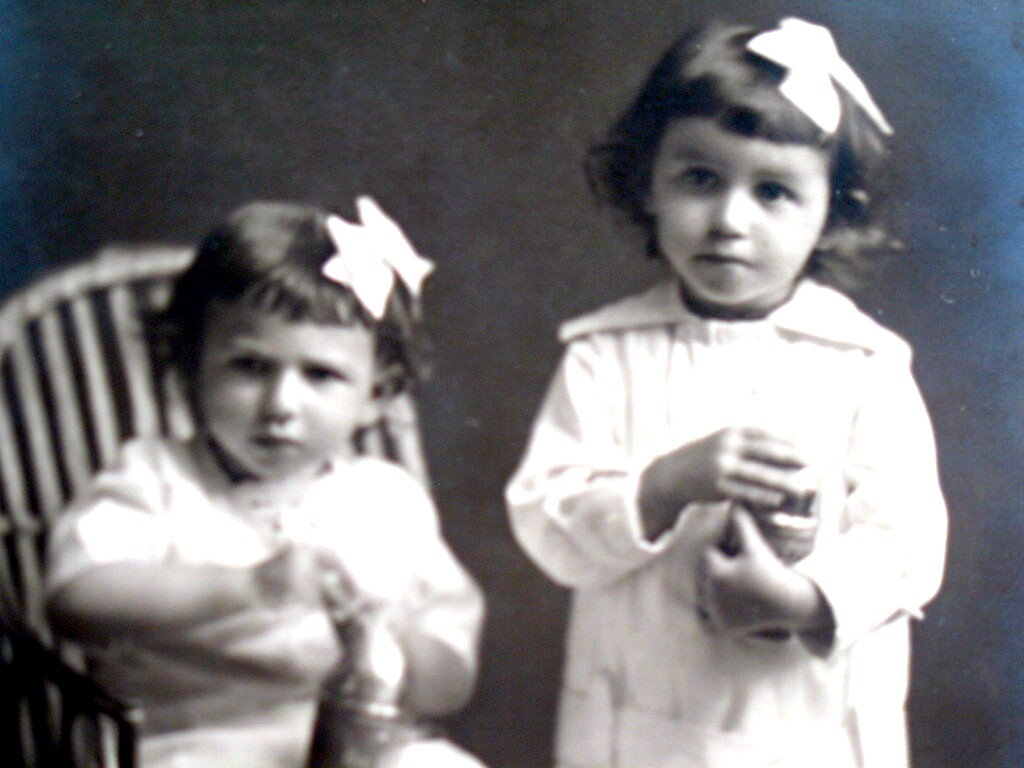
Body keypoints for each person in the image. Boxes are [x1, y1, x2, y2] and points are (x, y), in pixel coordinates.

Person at [505, 17, 947, 768]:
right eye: (700, 180)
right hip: (637, 723)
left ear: (830, 213)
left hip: (807, 729)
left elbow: (907, 541)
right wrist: (662, 486)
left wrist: (802, 600)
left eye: (773, 191)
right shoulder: (604, 356)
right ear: (648, 184)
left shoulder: (864, 365)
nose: (729, 222)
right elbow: (547, 521)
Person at [45, 198, 486, 768]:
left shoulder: (388, 501)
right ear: (189, 369)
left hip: (361, 739)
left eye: (320, 375)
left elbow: (448, 681)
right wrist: (250, 588)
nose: (281, 404)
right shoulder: (156, 477)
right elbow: (76, 599)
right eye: (250, 367)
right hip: (198, 741)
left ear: (376, 394)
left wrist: (389, 638)